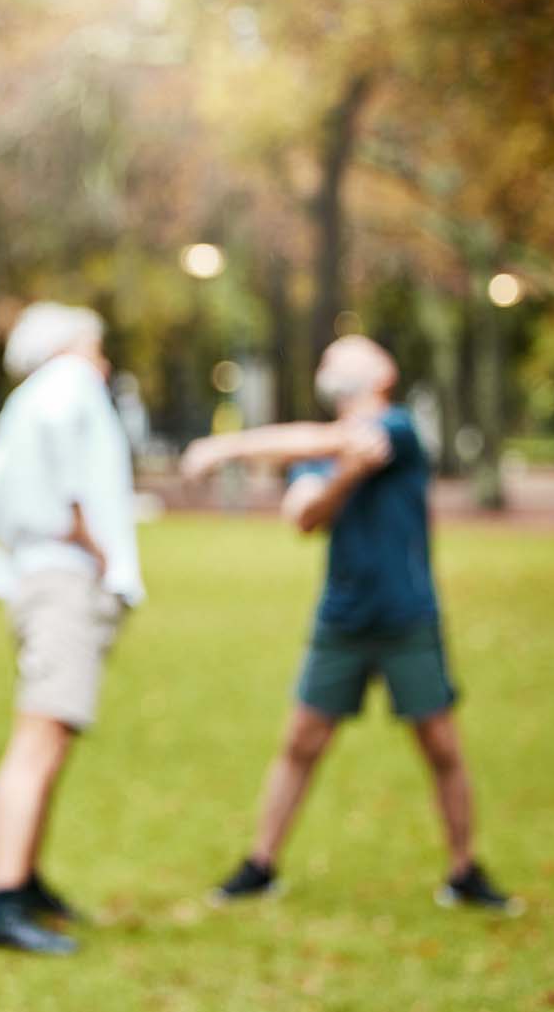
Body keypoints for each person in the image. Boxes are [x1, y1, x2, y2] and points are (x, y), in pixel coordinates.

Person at [180, 336, 517, 913]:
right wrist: (345, 477)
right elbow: (305, 517)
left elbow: (343, 441)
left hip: (408, 615)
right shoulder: (319, 449)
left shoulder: (400, 427)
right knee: (300, 742)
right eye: (326, 355)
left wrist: (227, 447)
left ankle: (464, 871)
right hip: (342, 618)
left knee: (441, 746)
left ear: (380, 371)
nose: (327, 362)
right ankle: (260, 865)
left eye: (341, 354)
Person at [0, 303, 145, 955]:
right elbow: (59, 451)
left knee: (52, 736)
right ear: (70, 343)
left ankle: (25, 881)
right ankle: (2, 902)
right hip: (66, 584)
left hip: (48, 586)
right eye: (96, 342)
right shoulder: (64, 385)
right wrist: (86, 531)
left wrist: (16, 580)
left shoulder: (24, 409)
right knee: (39, 739)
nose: (102, 357)